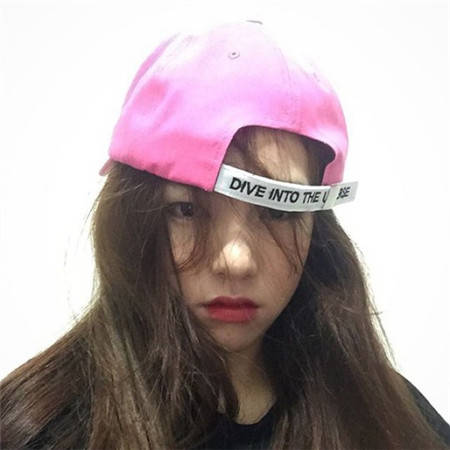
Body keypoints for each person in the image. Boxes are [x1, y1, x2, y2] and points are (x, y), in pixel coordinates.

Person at [1, 20, 449, 450]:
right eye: (186, 210)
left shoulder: (389, 423)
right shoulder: (39, 431)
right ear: (131, 219)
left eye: (276, 211)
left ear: (318, 227)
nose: (236, 260)